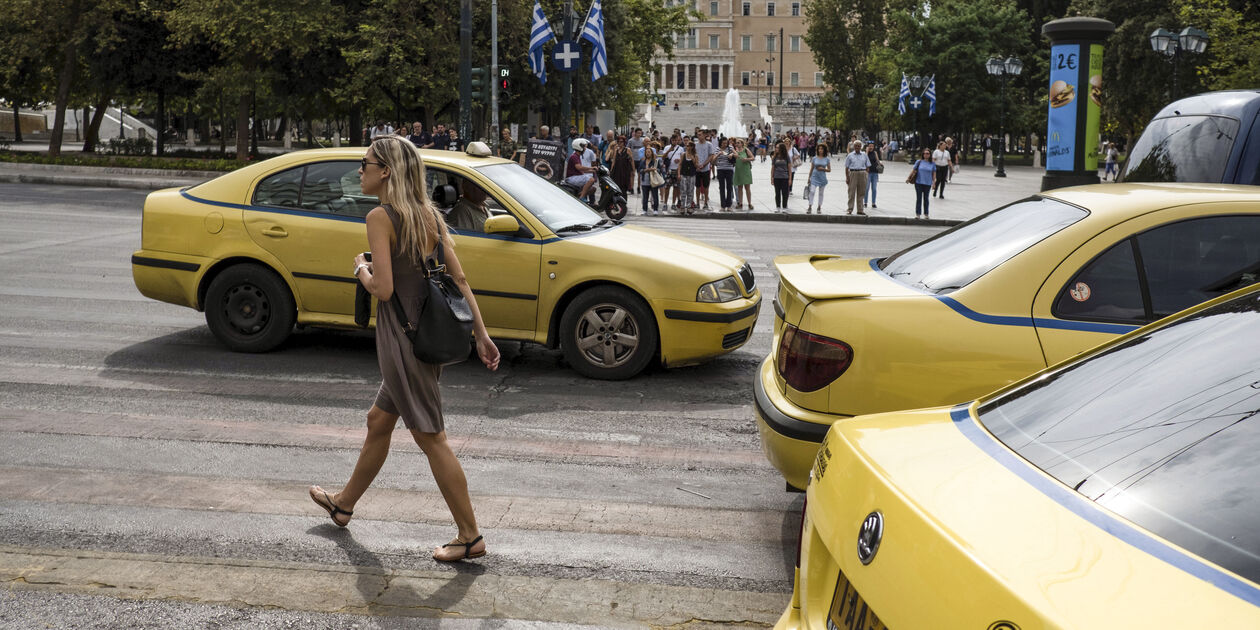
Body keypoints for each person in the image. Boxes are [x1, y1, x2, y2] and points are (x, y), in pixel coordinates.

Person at [309, 135, 500, 563]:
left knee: (432, 437)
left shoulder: (380, 217)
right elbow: (459, 279)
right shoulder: (427, 214)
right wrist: (481, 334)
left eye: (365, 163)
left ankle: (470, 535)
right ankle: (343, 505)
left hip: (403, 340)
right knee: (379, 421)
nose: (360, 170)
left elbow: (383, 288)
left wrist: (360, 269)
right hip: (422, 333)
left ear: (385, 172)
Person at [908, 148, 938, 219]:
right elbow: (913, 170)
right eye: (924, 153)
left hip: (927, 183)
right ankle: (918, 214)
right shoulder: (919, 162)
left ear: (930, 155)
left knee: (926, 199)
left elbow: (934, 174)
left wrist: (934, 183)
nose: (926, 155)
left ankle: (926, 214)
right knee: (919, 198)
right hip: (918, 182)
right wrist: (908, 178)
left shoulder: (932, 163)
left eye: (927, 153)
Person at [843, 140, 870, 216]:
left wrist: (866, 174)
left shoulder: (864, 155)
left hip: (862, 173)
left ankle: (860, 210)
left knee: (861, 192)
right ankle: (850, 209)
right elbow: (846, 167)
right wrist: (847, 177)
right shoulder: (850, 155)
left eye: (859, 146)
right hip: (853, 173)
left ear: (861, 147)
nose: (857, 147)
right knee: (851, 192)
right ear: (853, 147)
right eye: (856, 146)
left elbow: (868, 166)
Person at [694, 129, 716, 211]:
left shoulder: (709, 144)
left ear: (704, 135)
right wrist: (696, 164)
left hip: (706, 168)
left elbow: (711, 156)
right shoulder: (695, 145)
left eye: (700, 134)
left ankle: (705, 202)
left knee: (706, 186)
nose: (698, 136)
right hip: (697, 169)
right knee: (697, 186)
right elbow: (693, 155)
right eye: (698, 134)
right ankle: (697, 203)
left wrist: (704, 164)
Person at [806, 144, 831, 214]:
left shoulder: (827, 159)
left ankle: (819, 207)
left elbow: (829, 170)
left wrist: (823, 169)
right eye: (819, 149)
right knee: (812, 191)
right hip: (814, 176)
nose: (820, 150)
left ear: (824, 150)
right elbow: (811, 168)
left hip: (822, 177)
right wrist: (809, 178)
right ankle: (810, 206)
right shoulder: (814, 158)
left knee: (821, 193)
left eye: (822, 149)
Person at [714, 137, 736, 212]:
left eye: (726, 143)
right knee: (722, 187)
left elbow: (737, 155)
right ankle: (723, 205)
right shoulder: (717, 149)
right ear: (720, 143)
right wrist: (718, 154)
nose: (725, 144)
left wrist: (732, 154)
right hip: (720, 169)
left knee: (729, 187)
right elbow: (713, 160)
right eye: (723, 143)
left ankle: (729, 205)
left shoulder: (730, 147)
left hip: (729, 169)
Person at [733, 138, 754, 211]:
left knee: (747, 188)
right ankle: (740, 203)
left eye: (738, 143)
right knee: (739, 187)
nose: (737, 144)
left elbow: (752, 157)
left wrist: (746, 159)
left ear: (742, 143)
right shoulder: (735, 151)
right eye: (736, 143)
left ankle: (749, 203)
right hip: (738, 170)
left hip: (746, 170)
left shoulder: (746, 150)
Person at [640, 144, 661, 215]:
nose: (647, 153)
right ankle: (644, 210)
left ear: (652, 153)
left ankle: (655, 210)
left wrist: (654, 169)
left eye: (649, 152)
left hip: (653, 181)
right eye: (646, 152)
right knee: (645, 197)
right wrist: (646, 170)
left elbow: (659, 170)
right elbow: (640, 170)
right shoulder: (643, 161)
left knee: (655, 196)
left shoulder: (655, 161)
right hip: (644, 181)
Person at [678, 140, 698, 214]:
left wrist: (693, 159)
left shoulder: (695, 155)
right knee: (683, 190)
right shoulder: (683, 154)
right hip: (684, 174)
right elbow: (680, 164)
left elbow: (697, 166)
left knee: (690, 191)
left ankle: (689, 206)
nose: (688, 147)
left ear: (692, 147)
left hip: (692, 175)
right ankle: (682, 206)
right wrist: (679, 174)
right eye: (687, 146)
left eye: (689, 146)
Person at [771, 142, 791, 213]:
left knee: (785, 193)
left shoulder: (786, 156)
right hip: (776, 177)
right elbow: (773, 168)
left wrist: (790, 179)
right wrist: (772, 178)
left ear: (781, 148)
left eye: (777, 147)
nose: (776, 149)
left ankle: (785, 206)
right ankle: (778, 206)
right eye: (776, 147)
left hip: (785, 177)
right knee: (777, 193)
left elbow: (789, 168)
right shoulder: (775, 157)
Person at [864, 141, 882, 210]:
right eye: (870, 146)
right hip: (868, 172)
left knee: (874, 189)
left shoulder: (875, 153)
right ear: (867, 147)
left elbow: (877, 161)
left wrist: (880, 164)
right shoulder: (865, 154)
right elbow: (864, 160)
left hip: (875, 172)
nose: (871, 147)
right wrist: (867, 152)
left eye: (872, 146)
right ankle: (865, 202)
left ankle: (873, 203)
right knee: (866, 188)